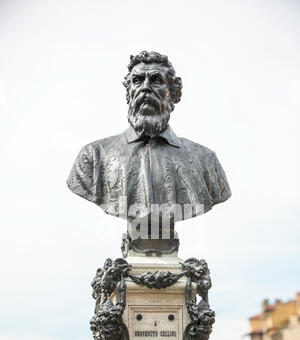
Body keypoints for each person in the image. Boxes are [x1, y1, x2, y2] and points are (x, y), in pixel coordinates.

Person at [67, 51, 231, 227]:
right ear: (129, 93)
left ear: (173, 94)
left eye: (156, 80)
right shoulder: (94, 156)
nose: (145, 87)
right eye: (138, 81)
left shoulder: (205, 160)